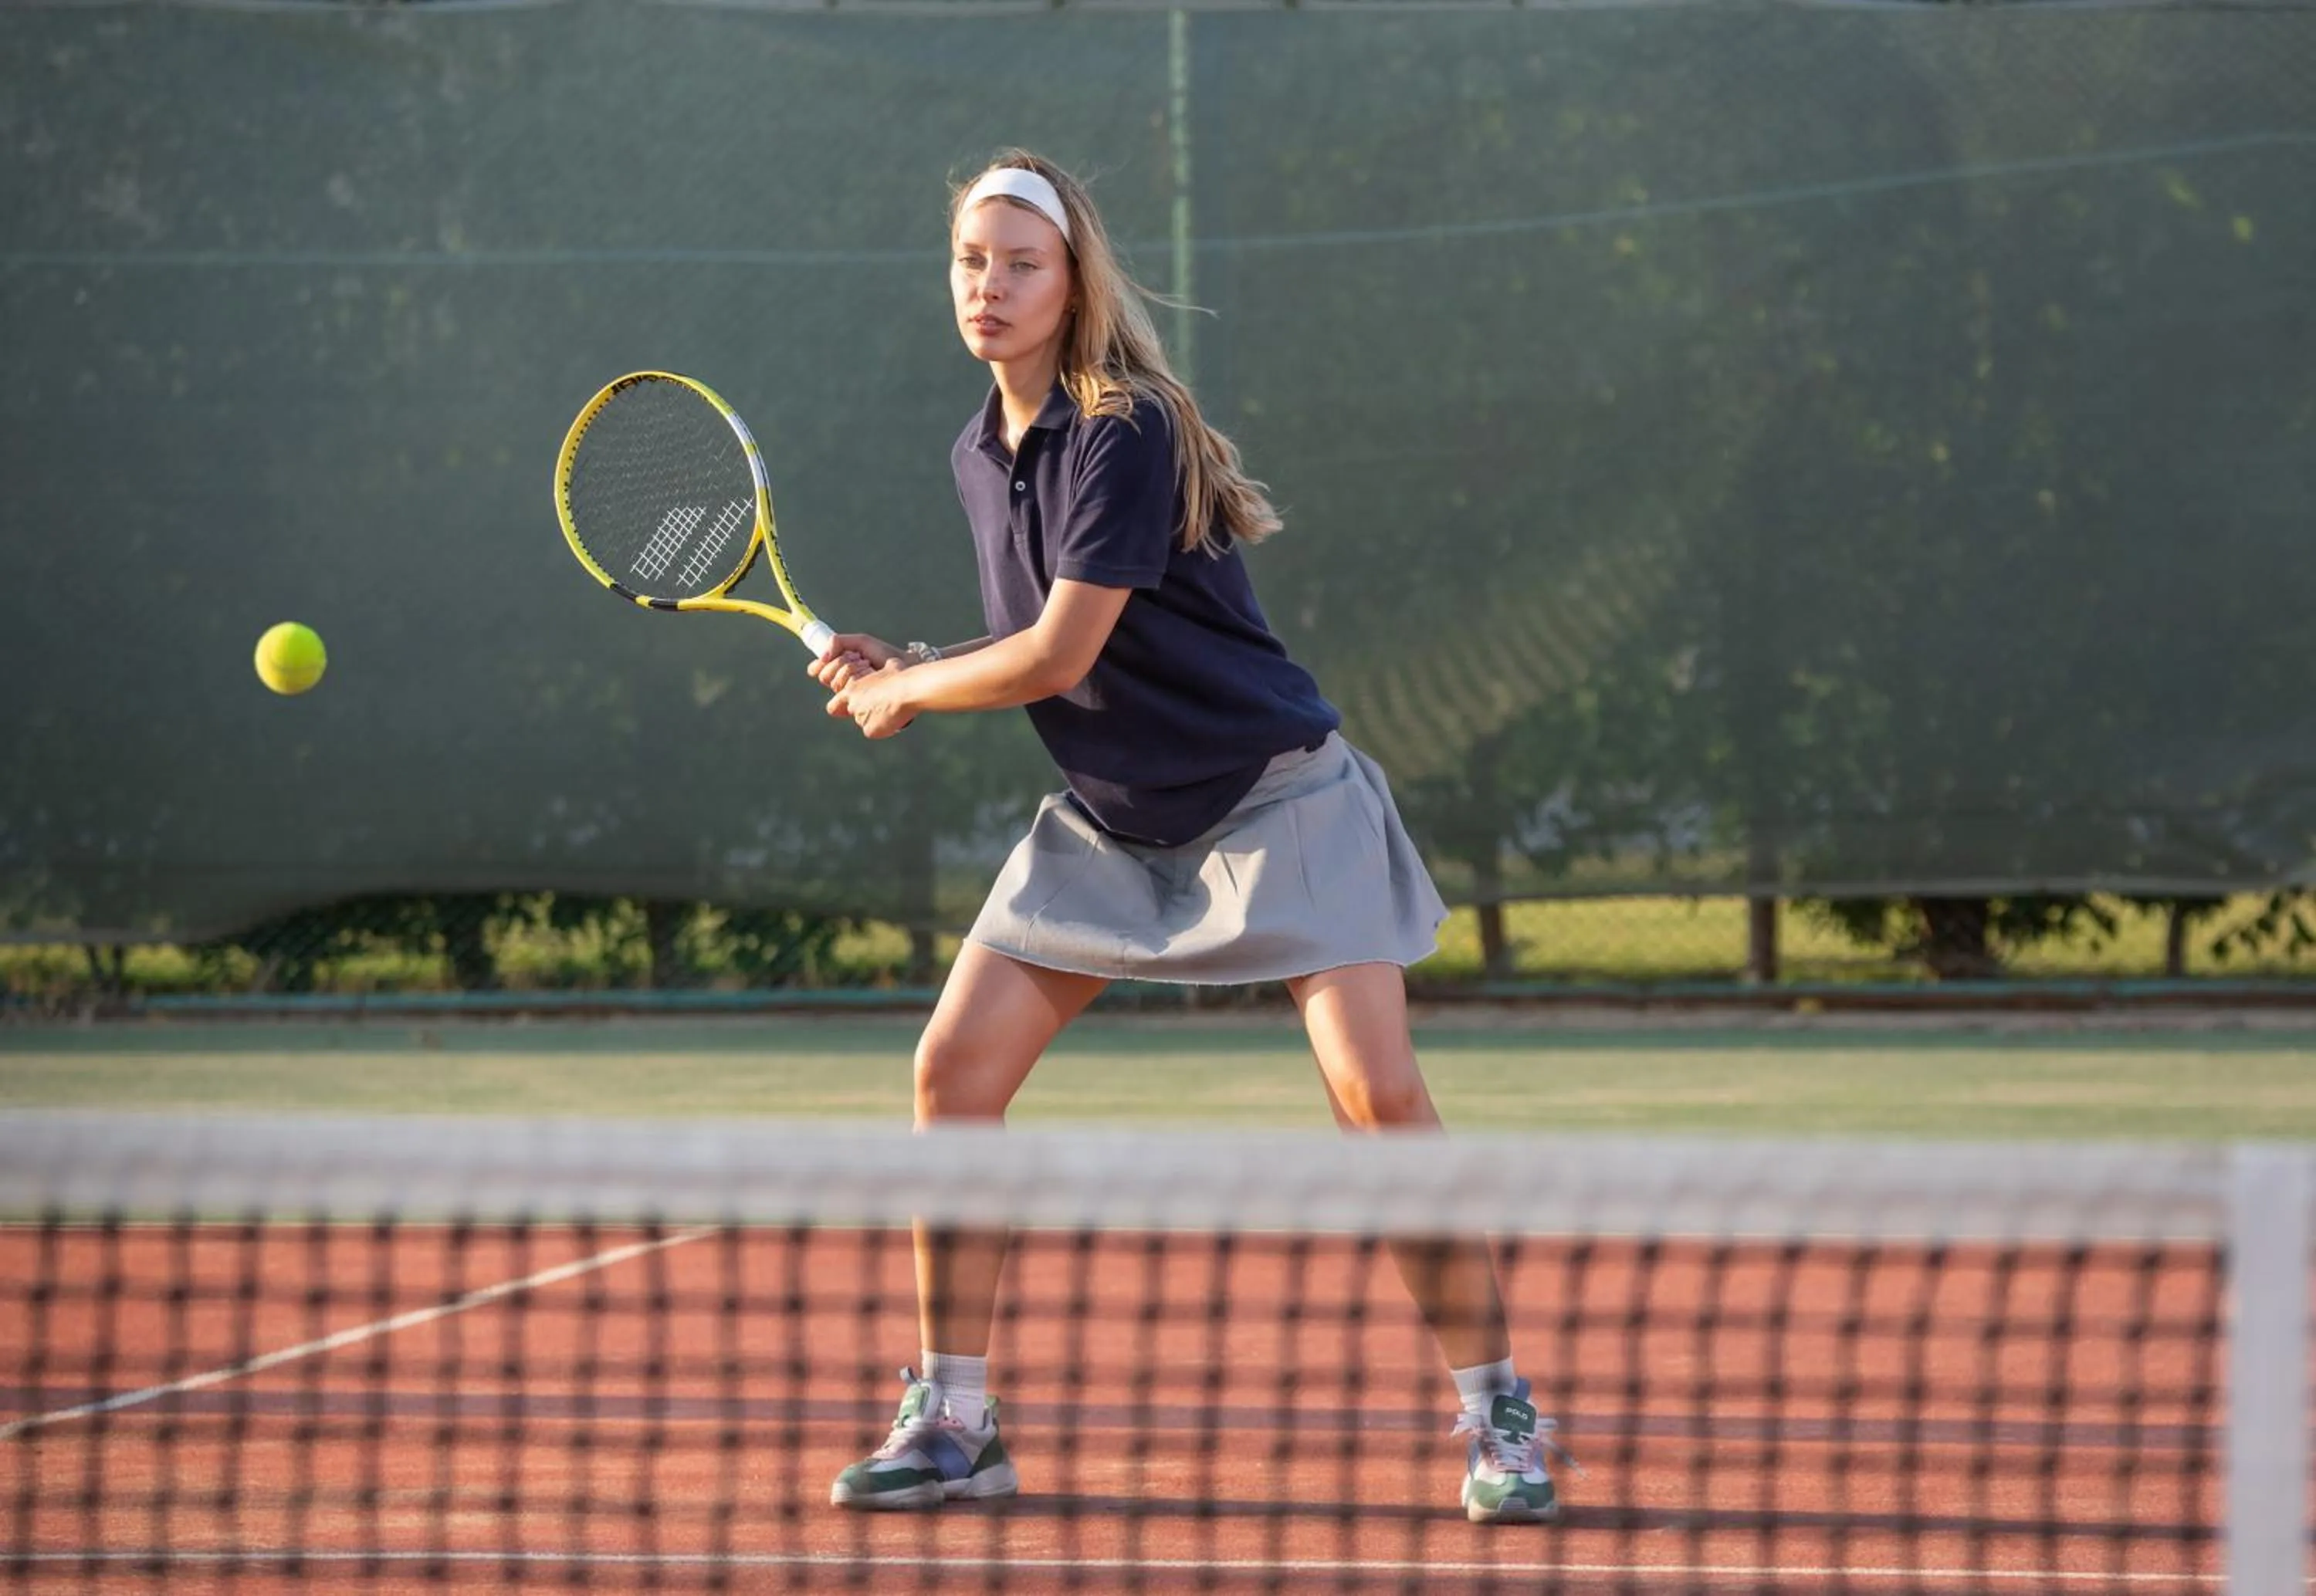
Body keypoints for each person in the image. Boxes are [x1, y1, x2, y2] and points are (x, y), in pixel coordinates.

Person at [810, 150, 1566, 1524]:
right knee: (952, 1074)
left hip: (1277, 800)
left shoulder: (1129, 424)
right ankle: (957, 1418)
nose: (991, 286)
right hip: (1112, 823)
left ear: (1074, 277)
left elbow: (1058, 652)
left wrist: (911, 689)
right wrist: (915, 654)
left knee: (1377, 1099)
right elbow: (1050, 639)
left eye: (1020, 262)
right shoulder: (980, 449)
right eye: (972, 262)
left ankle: (1499, 1411)